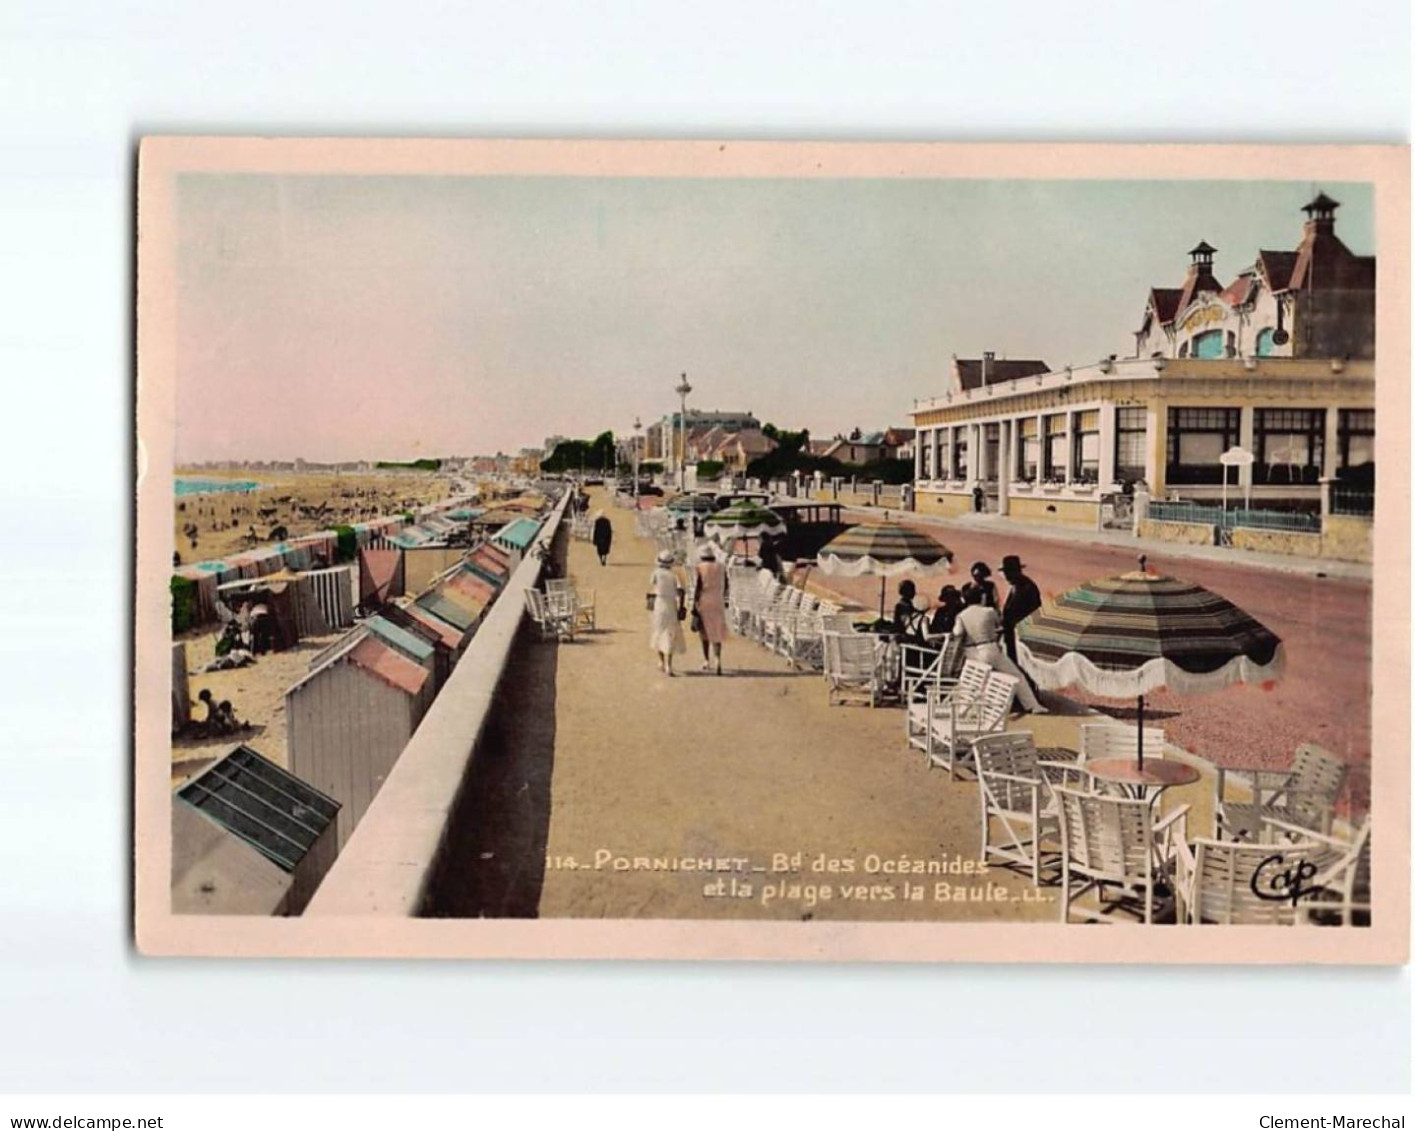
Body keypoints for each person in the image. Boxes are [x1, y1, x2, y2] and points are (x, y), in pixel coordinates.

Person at [951, 587, 1047, 714]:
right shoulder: (989, 611)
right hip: (990, 647)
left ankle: (967, 710)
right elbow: (999, 626)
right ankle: (1033, 706)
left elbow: (957, 633)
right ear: (981, 598)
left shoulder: (961, 616)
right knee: (1016, 676)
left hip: (972, 651)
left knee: (974, 683)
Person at [647, 549, 687, 676]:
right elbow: (681, 591)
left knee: (658, 631)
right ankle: (669, 665)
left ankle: (661, 662)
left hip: (659, 603)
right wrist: (681, 606)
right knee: (670, 634)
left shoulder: (656, 573)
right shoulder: (675, 575)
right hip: (671, 604)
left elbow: (652, 584)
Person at [692, 543, 729, 675]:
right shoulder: (721, 567)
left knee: (704, 631)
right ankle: (718, 659)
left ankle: (706, 660)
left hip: (705, 599)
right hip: (717, 600)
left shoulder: (700, 568)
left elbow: (698, 586)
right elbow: (726, 585)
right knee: (716, 630)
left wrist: (694, 604)